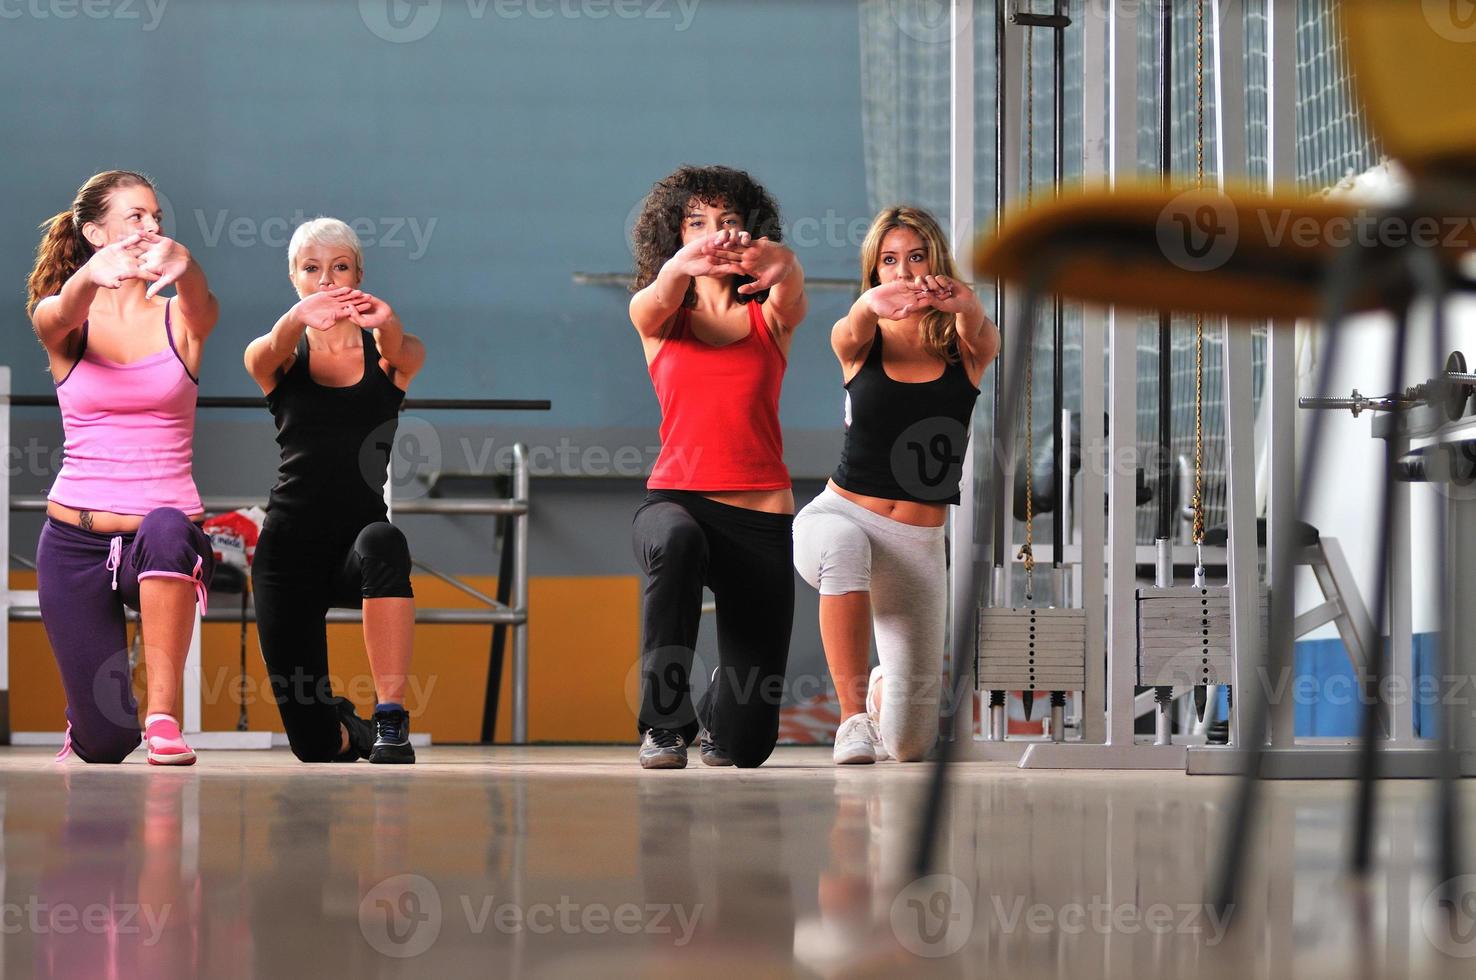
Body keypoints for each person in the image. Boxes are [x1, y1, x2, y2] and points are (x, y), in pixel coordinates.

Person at [792, 206, 998, 764]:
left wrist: (967, 303)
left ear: (936, 262)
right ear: (875, 270)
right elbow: (850, 328)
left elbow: (980, 331)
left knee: (909, 746)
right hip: (840, 517)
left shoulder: (968, 345)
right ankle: (852, 717)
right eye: (889, 260)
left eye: (915, 257)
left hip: (916, 545)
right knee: (843, 545)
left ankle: (885, 693)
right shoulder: (858, 339)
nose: (903, 271)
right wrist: (867, 304)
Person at [27, 170, 219, 765]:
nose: (150, 227)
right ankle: (88, 723)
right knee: (105, 743)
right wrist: (89, 275)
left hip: (161, 538)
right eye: (134, 216)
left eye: (156, 216)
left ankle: (164, 717)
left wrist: (187, 266)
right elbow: (55, 314)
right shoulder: (64, 322)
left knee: (165, 526)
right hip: (73, 539)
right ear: (94, 231)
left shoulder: (178, 320)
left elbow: (203, 307)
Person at [627, 165, 808, 769]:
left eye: (728, 223)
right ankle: (663, 722)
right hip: (677, 503)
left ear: (749, 234)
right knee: (674, 542)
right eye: (696, 224)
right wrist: (683, 265)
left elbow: (790, 281)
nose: (714, 235)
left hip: (760, 519)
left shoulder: (769, 318)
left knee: (745, 747)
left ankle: (714, 719)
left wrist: (776, 258)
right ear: (674, 238)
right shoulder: (660, 317)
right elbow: (652, 299)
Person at [244, 217, 425, 764]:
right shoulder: (278, 357)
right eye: (312, 268)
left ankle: (390, 718)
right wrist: (297, 319)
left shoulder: (389, 356)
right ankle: (350, 728)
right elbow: (269, 349)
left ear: (358, 274)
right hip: (287, 553)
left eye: (339, 266)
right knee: (315, 748)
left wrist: (386, 321)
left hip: (357, 547)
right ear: (295, 278)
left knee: (384, 541)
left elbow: (403, 350)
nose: (327, 280)